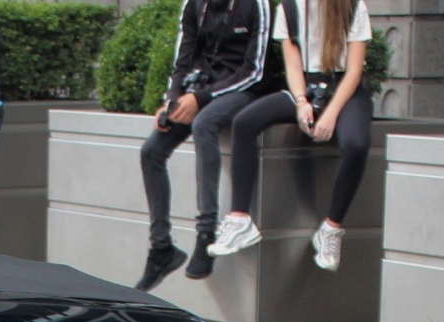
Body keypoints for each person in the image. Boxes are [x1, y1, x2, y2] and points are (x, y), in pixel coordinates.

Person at [209, 0, 372, 272]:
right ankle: (240, 219)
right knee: (245, 122)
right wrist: (301, 103)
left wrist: (330, 114)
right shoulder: (288, 8)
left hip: (345, 88)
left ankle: (331, 228)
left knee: (356, 143)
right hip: (305, 87)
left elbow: (354, 71)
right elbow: (294, 67)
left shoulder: (353, 6)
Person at [135, 0, 268, 288]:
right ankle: (161, 248)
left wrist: (201, 99)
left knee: (204, 124)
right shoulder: (193, 4)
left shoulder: (257, 5)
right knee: (151, 152)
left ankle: (206, 233)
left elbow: (253, 72)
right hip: (201, 90)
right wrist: (172, 99)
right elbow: (183, 59)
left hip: (242, 91)